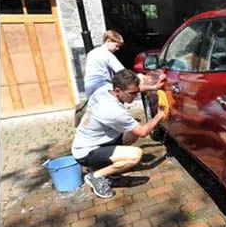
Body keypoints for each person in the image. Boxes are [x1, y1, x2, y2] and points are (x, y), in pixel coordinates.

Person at [71, 69, 165, 198]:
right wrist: (159, 115)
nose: (135, 96)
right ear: (118, 91)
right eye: (132, 94)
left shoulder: (105, 89)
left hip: (97, 142)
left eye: (136, 92)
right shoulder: (114, 111)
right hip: (86, 152)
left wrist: (154, 87)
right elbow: (143, 132)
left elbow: (136, 88)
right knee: (135, 155)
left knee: (132, 133)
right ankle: (95, 176)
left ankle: (104, 166)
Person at [75, 30, 166, 126]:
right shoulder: (107, 55)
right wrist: (140, 77)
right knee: (129, 87)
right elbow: (124, 74)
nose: (118, 49)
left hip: (90, 89)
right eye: (116, 45)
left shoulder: (92, 53)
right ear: (108, 41)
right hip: (102, 87)